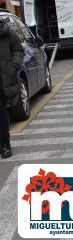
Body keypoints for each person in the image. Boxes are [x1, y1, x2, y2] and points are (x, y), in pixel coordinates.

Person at [0, 16, 24, 158]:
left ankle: (5, 144)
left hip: (2, 79)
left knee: (1, 112)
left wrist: (13, 65)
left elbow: (19, 50)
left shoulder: (6, 31)